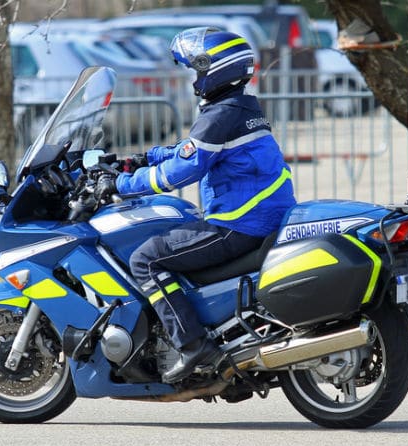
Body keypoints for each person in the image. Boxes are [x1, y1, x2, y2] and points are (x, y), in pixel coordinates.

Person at [95, 27, 296, 383]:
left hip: (238, 225)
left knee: (146, 259)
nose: (195, 78)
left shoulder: (222, 115)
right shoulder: (238, 108)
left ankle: (192, 345)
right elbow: (191, 149)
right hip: (259, 219)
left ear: (214, 69)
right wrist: (143, 157)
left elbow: (185, 168)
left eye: (197, 69)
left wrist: (122, 183)